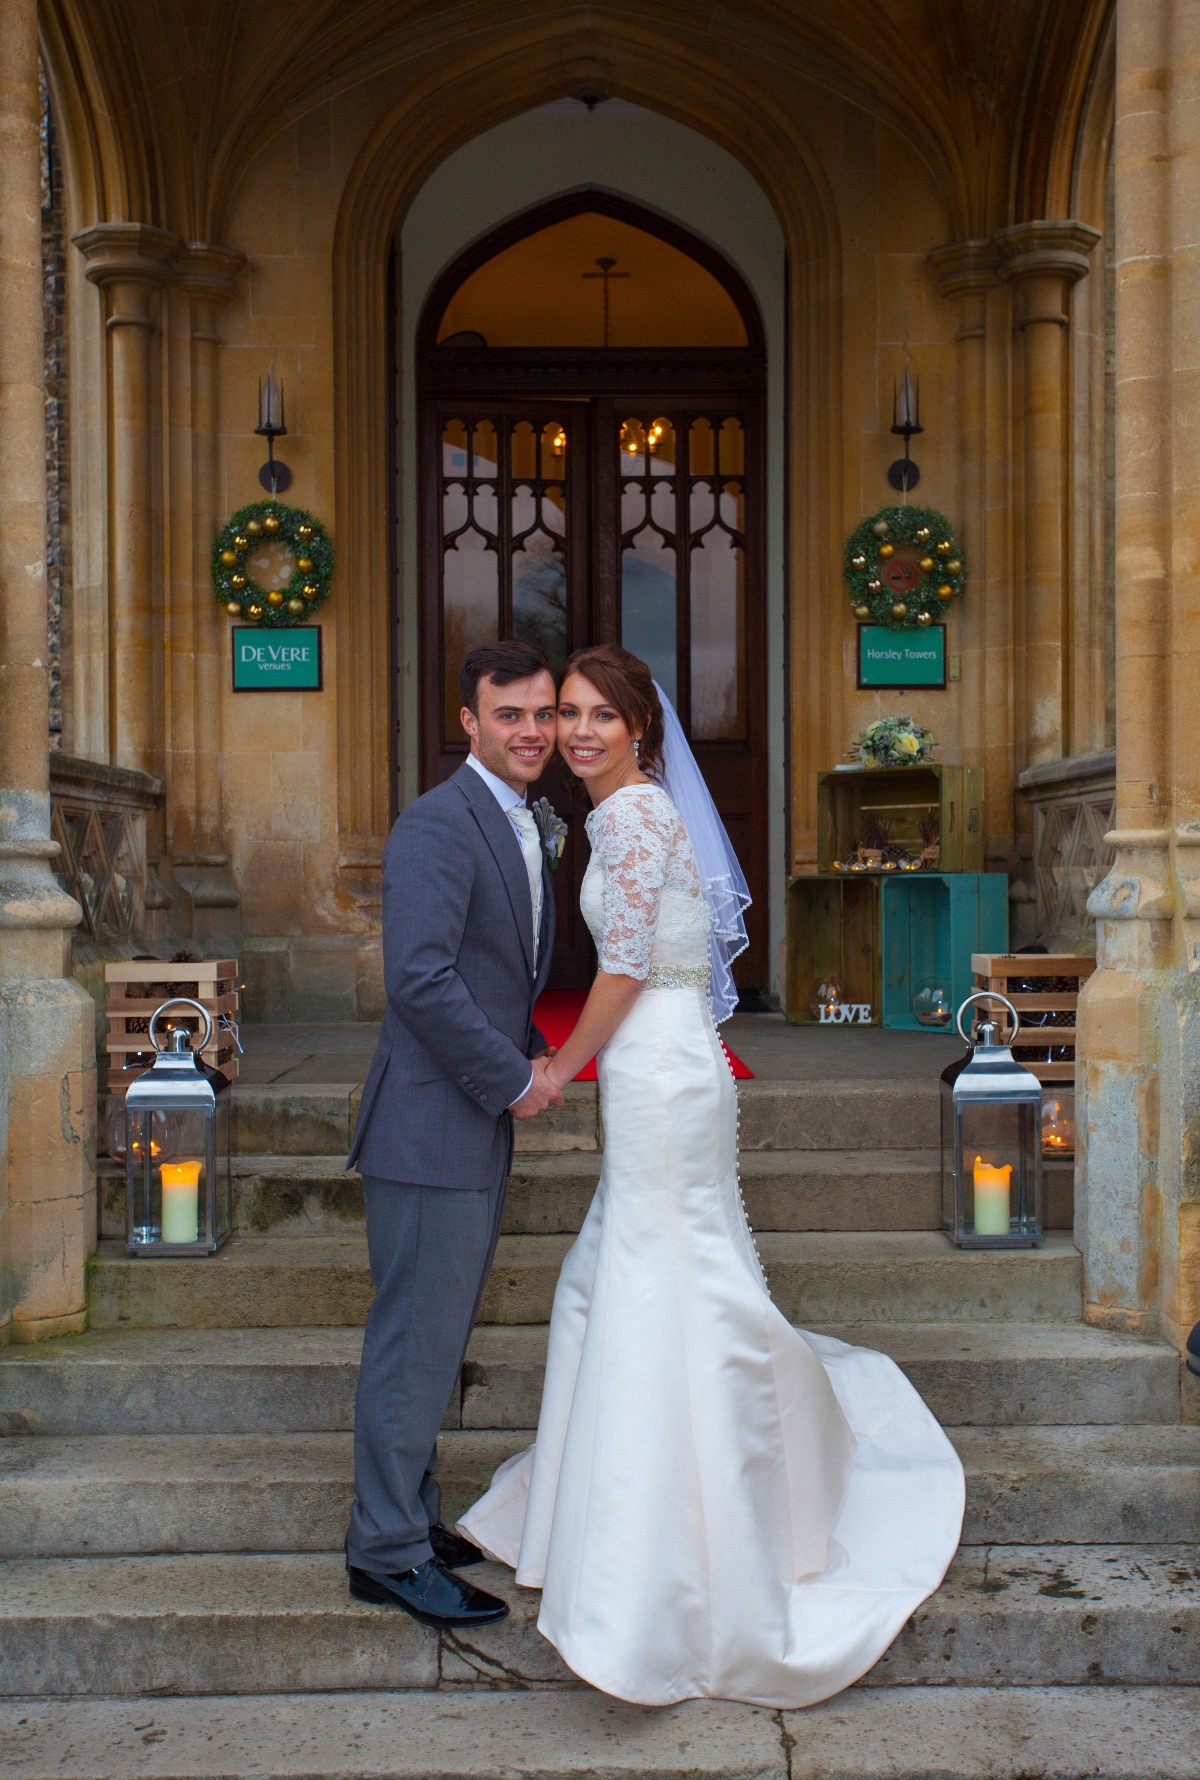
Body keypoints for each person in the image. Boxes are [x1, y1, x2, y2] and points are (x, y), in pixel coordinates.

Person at [459, 643, 965, 1707]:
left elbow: (630, 964)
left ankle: (664, 1569)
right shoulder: (627, 812)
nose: (580, 731)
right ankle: (664, 1515)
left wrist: (558, 1063)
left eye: (602, 714)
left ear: (643, 728)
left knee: (656, 1280)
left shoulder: (636, 815)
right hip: (667, 1062)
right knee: (650, 1269)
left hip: (657, 1066)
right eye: (570, 714)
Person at [344, 640, 564, 1629]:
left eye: (544, 712)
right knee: (412, 1341)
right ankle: (385, 1549)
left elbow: (498, 969)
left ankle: (407, 1511)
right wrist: (512, 1077)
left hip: (461, 1124)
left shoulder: (519, 818)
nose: (531, 731)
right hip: (434, 1123)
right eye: (508, 713)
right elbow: (420, 979)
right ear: (467, 722)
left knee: (434, 1337)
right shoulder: (437, 825)